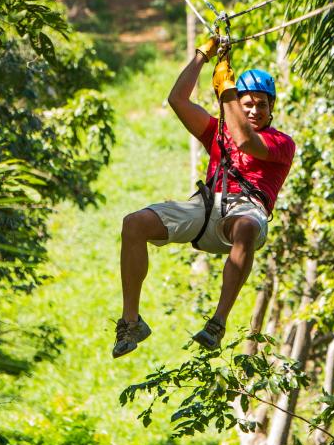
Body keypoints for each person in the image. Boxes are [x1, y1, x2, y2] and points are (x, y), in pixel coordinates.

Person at [113, 37, 297, 357]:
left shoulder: (281, 142)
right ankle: (131, 321)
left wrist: (227, 91)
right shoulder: (217, 131)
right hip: (207, 205)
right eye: (247, 103)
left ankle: (217, 323)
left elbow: (245, 141)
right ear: (239, 105)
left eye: (261, 105)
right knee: (134, 224)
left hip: (246, 211)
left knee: (245, 228)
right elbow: (177, 100)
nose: (254, 109)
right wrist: (201, 56)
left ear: (271, 109)